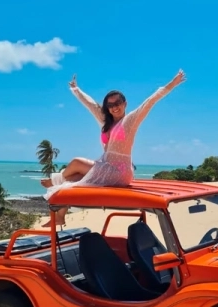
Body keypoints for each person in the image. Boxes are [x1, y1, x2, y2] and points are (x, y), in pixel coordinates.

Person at [40, 69, 186, 227]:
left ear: (125, 104)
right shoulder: (106, 122)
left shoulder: (130, 121)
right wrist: (76, 89)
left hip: (119, 171)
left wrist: (172, 84)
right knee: (72, 180)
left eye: (117, 103)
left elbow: (150, 101)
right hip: (105, 166)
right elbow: (91, 105)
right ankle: (60, 216)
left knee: (76, 162)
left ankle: (54, 180)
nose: (114, 107)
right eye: (110, 105)